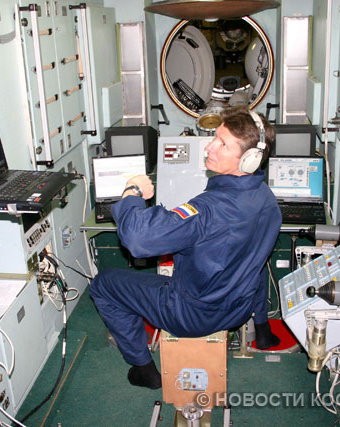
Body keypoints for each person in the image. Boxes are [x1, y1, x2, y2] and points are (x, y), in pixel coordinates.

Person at [89, 107, 282, 389]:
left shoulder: (207, 210)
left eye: (223, 144)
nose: (210, 147)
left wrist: (132, 192)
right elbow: (255, 261)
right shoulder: (266, 198)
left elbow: (138, 240)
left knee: (104, 284)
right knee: (253, 256)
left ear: (249, 159)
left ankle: (143, 369)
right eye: (215, 137)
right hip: (237, 309)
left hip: (191, 316)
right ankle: (262, 331)